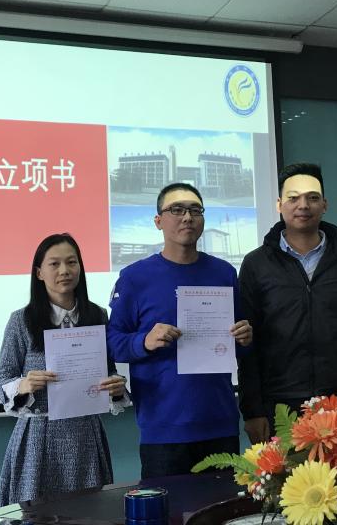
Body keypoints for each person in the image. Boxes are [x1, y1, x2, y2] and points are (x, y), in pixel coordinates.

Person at [107, 183, 253, 479]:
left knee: (225, 506)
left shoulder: (224, 272)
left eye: (195, 210)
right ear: (158, 221)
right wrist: (144, 341)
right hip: (163, 428)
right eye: (176, 210)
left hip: (220, 422)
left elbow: (238, 342)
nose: (187, 217)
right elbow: (111, 342)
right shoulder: (134, 277)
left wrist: (245, 337)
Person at [238, 163, 337, 444]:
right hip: (281, 405)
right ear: (279, 205)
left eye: (312, 197)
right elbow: (247, 345)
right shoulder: (256, 264)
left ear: (325, 204)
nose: (303, 205)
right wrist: (252, 410)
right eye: (293, 198)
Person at [0, 233, 128, 506]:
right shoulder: (21, 320)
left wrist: (116, 386)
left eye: (71, 262)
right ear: (39, 273)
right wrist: (23, 385)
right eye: (54, 264)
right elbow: (1, 380)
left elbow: (108, 370)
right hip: (38, 437)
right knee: (36, 514)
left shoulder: (97, 315)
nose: (64, 270)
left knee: (90, 513)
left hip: (85, 435)